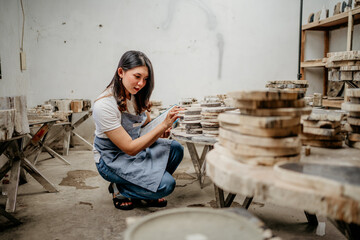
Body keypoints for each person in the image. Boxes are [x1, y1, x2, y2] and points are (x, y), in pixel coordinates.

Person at [93, 50, 184, 210]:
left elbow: (144, 125)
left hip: (135, 149)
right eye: (137, 76)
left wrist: (160, 130)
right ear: (121, 72)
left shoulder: (135, 95)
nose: (141, 83)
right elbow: (129, 149)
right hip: (112, 159)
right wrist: (162, 126)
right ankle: (120, 189)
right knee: (166, 185)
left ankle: (146, 188)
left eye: (145, 79)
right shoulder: (104, 105)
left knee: (175, 149)